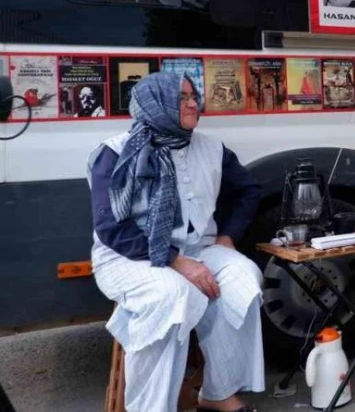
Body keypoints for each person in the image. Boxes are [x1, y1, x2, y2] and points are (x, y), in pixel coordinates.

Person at [88, 72, 266, 412]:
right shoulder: (114, 154)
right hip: (128, 258)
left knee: (243, 276)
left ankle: (218, 394)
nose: (192, 102)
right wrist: (175, 261)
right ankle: (152, 407)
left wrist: (228, 237)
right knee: (172, 294)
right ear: (156, 104)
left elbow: (248, 191)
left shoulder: (212, 148)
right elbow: (110, 227)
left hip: (198, 248)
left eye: (193, 95)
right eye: (181, 97)